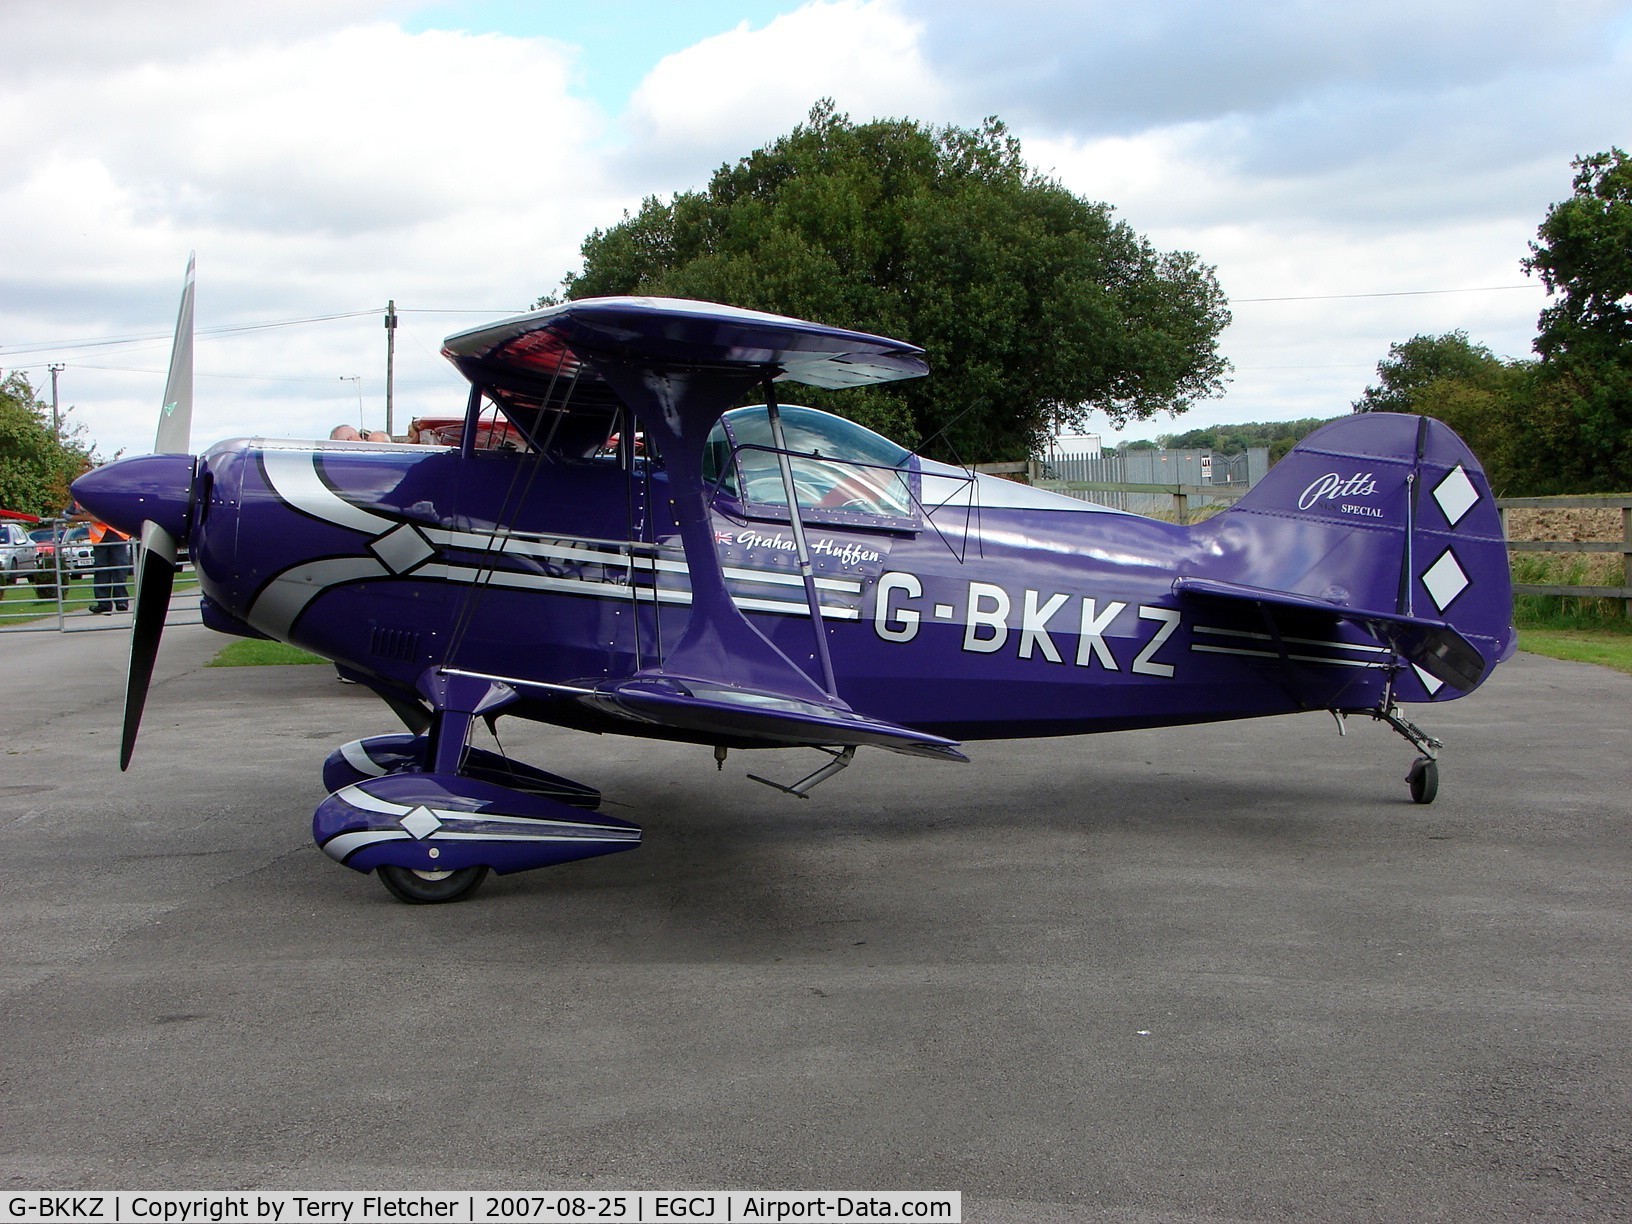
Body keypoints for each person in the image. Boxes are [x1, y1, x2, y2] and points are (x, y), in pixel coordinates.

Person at [87, 516, 131, 614]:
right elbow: (68, 515)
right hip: (99, 538)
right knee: (101, 570)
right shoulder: (82, 501)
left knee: (120, 569)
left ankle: (121, 602)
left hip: (118, 534)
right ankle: (103, 604)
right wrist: (90, 517)